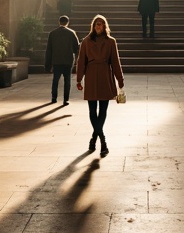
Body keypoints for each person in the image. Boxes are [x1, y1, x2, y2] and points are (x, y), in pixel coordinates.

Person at [76, 14, 124, 158]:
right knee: (92, 110)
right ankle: (102, 140)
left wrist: (120, 79)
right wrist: (79, 79)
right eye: (96, 24)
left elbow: (115, 61)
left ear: (104, 26)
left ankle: (94, 139)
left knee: (103, 110)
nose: (98, 26)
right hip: (91, 75)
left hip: (105, 75)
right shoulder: (86, 41)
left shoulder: (111, 42)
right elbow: (81, 61)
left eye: (101, 24)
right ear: (93, 26)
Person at [44, 15, 80, 106]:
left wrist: (48, 64)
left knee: (55, 80)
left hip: (56, 60)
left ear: (59, 22)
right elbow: (76, 47)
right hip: (68, 60)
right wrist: (77, 59)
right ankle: (66, 99)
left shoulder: (52, 33)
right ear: (68, 22)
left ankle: (54, 98)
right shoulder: (71, 33)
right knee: (67, 80)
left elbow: (49, 50)